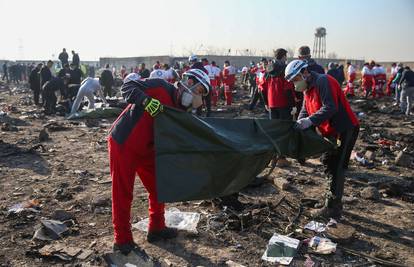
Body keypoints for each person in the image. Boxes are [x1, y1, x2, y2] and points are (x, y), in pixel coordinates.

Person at [108, 69, 210, 254]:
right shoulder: (160, 87)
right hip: (125, 142)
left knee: (159, 187)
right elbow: (128, 86)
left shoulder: (181, 109)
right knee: (123, 192)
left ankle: (156, 227)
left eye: (202, 95)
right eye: (200, 91)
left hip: (147, 148)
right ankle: (121, 239)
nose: (199, 99)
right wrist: (146, 101)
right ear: (189, 81)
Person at [285, 59, 359, 219]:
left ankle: (332, 208)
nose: (294, 84)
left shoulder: (323, 81)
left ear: (304, 73)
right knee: (327, 162)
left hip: (343, 129)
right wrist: (300, 122)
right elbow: (306, 109)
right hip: (330, 131)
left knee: (336, 167)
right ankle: (330, 201)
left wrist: (310, 121)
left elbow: (330, 106)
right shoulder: (308, 88)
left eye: (295, 80)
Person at [266, 48, 295, 167]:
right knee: (284, 131)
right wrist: (292, 105)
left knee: (274, 130)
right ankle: (281, 158)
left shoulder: (269, 69)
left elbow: (262, 86)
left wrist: (266, 102)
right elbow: (288, 89)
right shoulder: (285, 69)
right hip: (283, 103)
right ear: (283, 56)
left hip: (272, 103)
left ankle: (273, 157)